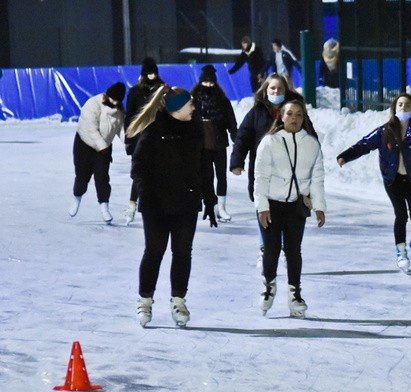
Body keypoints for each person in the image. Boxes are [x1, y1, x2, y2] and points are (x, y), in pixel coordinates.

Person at [127, 86, 219, 329]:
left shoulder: (196, 129)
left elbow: (203, 166)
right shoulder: (153, 130)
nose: (193, 107)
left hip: (186, 203)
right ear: (177, 108)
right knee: (154, 251)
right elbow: (138, 167)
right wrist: (145, 195)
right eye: (189, 104)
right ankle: (145, 300)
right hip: (156, 205)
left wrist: (209, 199)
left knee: (182, 252)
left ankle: (178, 301)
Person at [336, 93, 411, 273]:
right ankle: (400, 251)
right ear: (394, 109)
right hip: (393, 180)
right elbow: (364, 145)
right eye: (400, 105)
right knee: (401, 215)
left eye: (407, 105)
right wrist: (346, 155)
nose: (403, 108)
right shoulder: (385, 131)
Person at [254, 99, 326, 318]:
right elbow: (261, 176)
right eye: (289, 114)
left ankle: (295, 294)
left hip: (296, 206)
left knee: (294, 250)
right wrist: (262, 207)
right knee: (272, 249)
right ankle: (269, 286)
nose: (294, 119)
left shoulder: (312, 144)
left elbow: (317, 177)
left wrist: (319, 206)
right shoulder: (270, 142)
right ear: (281, 117)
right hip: (272, 205)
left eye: (299, 115)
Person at [230, 74, 312, 266]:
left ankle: (284, 248)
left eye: (279, 89)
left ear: (286, 91)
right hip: (263, 170)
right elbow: (243, 137)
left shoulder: (295, 111)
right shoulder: (256, 113)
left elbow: (310, 135)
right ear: (265, 91)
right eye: (272, 89)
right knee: (263, 207)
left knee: (288, 210)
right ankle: (264, 248)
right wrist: (237, 161)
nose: (276, 92)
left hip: (289, 171)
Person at [68, 82, 126, 223]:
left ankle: (104, 207)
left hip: (104, 148)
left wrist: (129, 145)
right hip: (84, 145)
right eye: (112, 98)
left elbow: (122, 130)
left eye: (117, 100)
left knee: (102, 178)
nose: (114, 102)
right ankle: (77, 197)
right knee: (82, 176)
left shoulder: (119, 111)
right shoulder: (93, 104)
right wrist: (103, 147)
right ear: (107, 95)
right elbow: (91, 129)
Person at [191, 64, 237, 222]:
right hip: (202, 145)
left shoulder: (222, 101)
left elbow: (231, 122)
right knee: (207, 176)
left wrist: (235, 139)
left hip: (219, 143)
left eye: (211, 83)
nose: (209, 85)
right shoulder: (194, 100)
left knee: (221, 176)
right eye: (206, 82)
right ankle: (212, 204)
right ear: (200, 82)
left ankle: (222, 207)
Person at [123, 57, 165, 225]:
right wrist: (128, 139)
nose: (152, 76)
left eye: (154, 73)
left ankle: (153, 207)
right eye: (149, 73)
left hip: (159, 139)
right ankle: (132, 205)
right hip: (139, 139)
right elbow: (129, 117)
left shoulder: (162, 90)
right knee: (139, 174)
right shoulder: (135, 92)